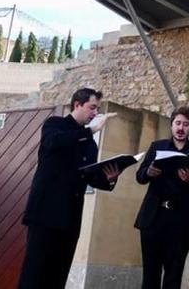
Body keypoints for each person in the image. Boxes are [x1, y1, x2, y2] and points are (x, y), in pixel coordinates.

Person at [17, 88, 120, 289]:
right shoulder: (55, 124)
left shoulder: (89, 142)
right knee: (34, 274)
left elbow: (89, 174)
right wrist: (89, 131)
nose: (94, 113)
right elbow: (54, 143)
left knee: (58, 275)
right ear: (77, 105)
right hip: (45, 213)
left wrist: (109, 179)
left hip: (70, 216)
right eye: (91, 107)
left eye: (97, 109)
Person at [135, 106, 189, 289]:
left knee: (173, 277)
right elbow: (140, 176)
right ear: (171, 125)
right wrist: (149, 172)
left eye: (186, 124)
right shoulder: (157, 146)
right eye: (177, 123)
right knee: (150, 276)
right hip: (153, 218)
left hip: (181, 220)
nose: (181, 128)